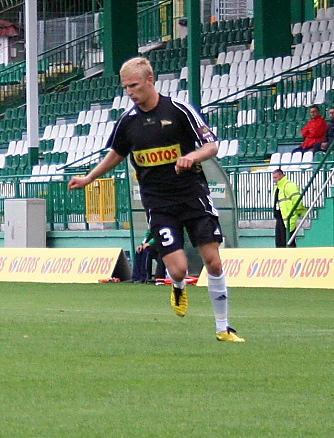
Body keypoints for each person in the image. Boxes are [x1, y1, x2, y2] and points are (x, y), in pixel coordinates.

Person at [68, 57, 244, 342]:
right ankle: (177, 285)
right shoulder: (128, 122)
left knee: (213, 262)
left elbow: (211, 145)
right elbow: (116, 154)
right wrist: (89, 178)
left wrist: (191, 157)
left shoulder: (179, 110)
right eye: (125, 87)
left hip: (193, 196)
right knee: (179, 269)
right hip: (158, 203)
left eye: (134, 86)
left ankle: (223, 328)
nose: (130, 92)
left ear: (150, 80)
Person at [272, 169, 306, 248]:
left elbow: (297, 200)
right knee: (280, 242)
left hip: (288, 217)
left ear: (281, 175)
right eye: (273, 178)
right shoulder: (278, 188)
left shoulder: (289, 186)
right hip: (280, 218)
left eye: (275, 177)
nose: (274, 180)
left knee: (288, 241)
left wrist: (298, 211)